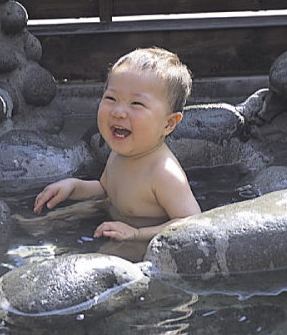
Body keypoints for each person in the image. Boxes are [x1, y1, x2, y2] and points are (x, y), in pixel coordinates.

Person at [33, 47, 201, 242]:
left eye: (136, 104)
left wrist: (137, 234)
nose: (118, 112)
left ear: (168, 123)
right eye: (111, 99)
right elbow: (105, 189)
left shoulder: (163, 173)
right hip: (115, 225)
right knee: (52, 220)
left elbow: (191, 222)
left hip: (143, 247)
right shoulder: (120, 154)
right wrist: (73, 187)